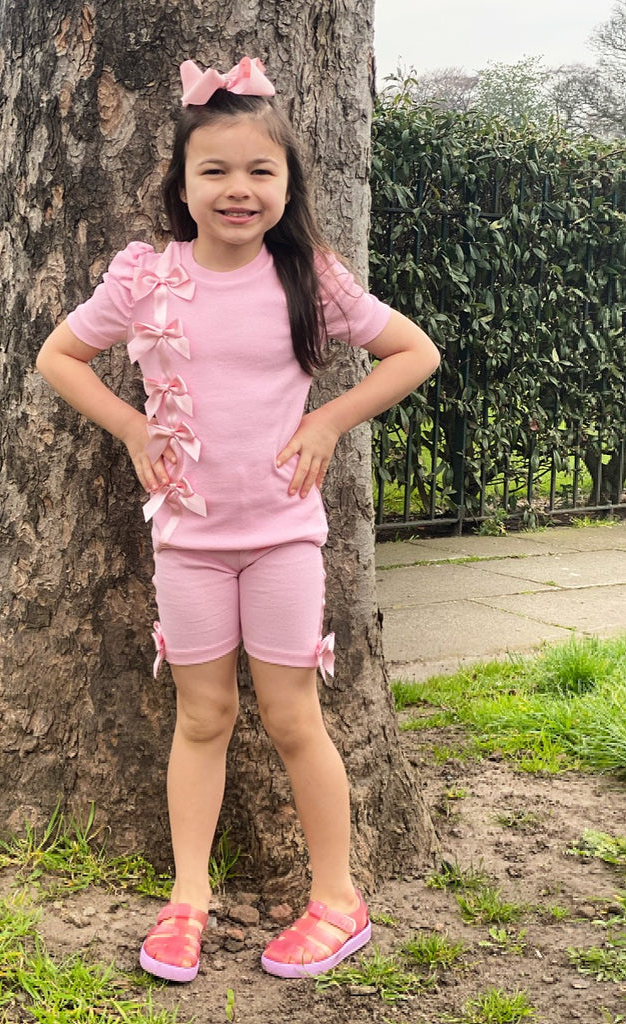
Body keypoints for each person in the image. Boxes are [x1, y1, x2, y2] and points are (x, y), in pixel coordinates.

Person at [36, 56, 440, 983]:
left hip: (284, 538)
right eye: (213, 169)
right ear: (180, 184)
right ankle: (187, 898)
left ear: (287, 184)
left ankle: (337, 900)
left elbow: (413, 351)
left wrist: (328, 421)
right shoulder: (146, 278)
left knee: (294, 717)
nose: (237, 188)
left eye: (260, 170)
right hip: (187, 543)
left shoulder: (310, 278)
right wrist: (131, 426)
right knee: (203, 715)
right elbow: (59, 356)